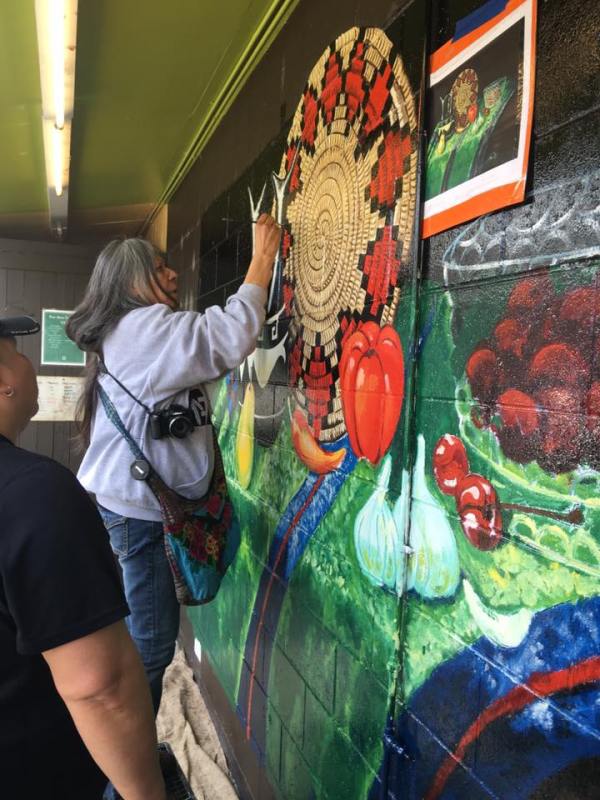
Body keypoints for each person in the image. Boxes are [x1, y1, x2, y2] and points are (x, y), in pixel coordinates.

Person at [66, 213, 281, 714]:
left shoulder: (123, 334)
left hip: (126, 508)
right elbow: (226, 337)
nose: (173, 274)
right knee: (152, 648)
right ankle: (129, 758)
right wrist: (262, 260)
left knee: (139, 637)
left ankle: (126, 744)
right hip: (141, 517)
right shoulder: (144, 329)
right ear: (131, 283)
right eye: (159, 268)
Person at [0, 313, 166, 800]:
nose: (28, 364)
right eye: (16, 352)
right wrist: (146, 792)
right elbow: (100, 686)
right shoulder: (34, 493)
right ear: (3, 382)